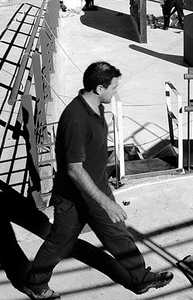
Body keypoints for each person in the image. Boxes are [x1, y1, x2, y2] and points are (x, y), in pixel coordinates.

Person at [18, 62, 173, 300]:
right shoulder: (76, 120)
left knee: (118, 235)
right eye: (113, 88)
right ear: (99, 88)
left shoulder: (95, 107)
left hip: (97, 189)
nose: (116, 92)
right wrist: (106, 201)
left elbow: (92, 155)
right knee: (59, 242)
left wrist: (105, 185)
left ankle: (140, 279)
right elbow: (74, 169)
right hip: (73, 198)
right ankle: (34, 283)